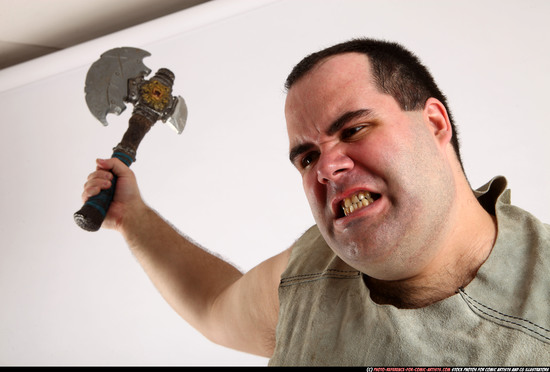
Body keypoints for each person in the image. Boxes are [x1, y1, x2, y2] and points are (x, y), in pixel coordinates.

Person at [81, 38, 550, 365]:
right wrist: (132, 216)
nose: (325, 168)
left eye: (354, 129)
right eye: (306, 157)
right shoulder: (314, 268)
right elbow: (214, 307)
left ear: (434, 123)